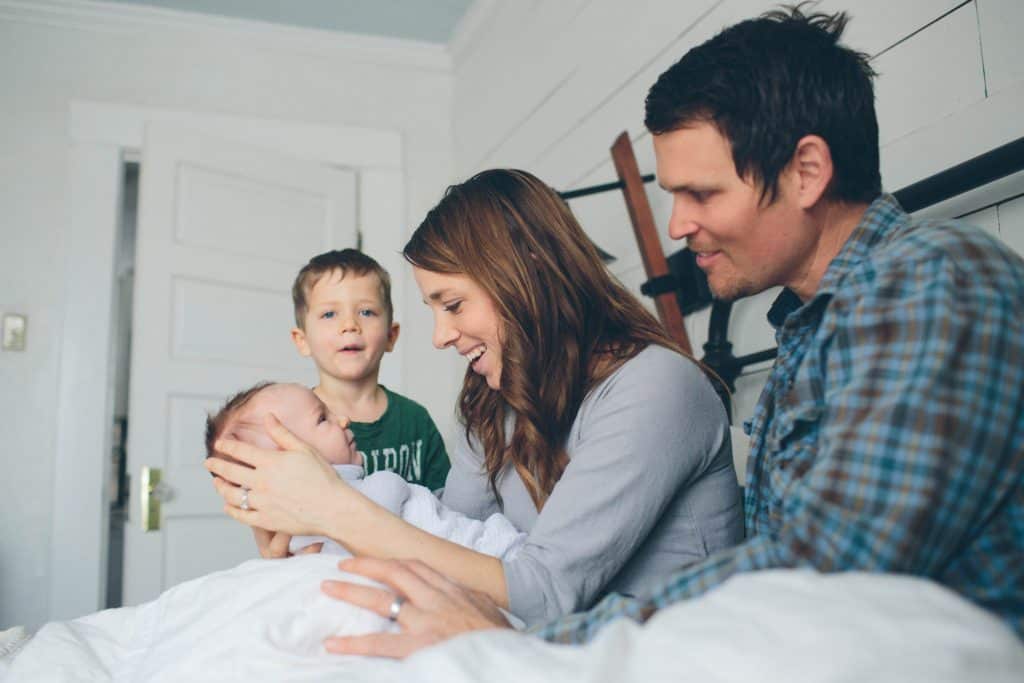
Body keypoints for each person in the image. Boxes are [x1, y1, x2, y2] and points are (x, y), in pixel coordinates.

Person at [211, 5, 1020, 657]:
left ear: (806, 171)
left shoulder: (934, 279)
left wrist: (520, 642)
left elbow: (819, 576)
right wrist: (310, 512)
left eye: (700, 193)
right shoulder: (810, 333)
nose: (679, 224)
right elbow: (439, 532)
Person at [204, 169, 745, 632]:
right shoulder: (491, 403)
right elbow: (444, 534)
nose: (440, 334)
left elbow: (546, 592)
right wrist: (303, 541)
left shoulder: (655, 387)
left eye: (453, 304)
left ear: (526, 273)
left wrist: (333, 508)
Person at [205, 381, 526, 561]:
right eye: (323, 419)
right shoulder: (370, 491)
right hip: (476, 552)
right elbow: (384, 497)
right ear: (287, 461)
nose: (343, 420)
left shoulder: (412, 417)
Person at [290, 249, 450, 491]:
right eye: (329, 314)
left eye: (366, 312)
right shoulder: (296, 424)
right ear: (302, 340)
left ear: (391, 336)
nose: (350, 325)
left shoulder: (416, 420)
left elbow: (448, 508)